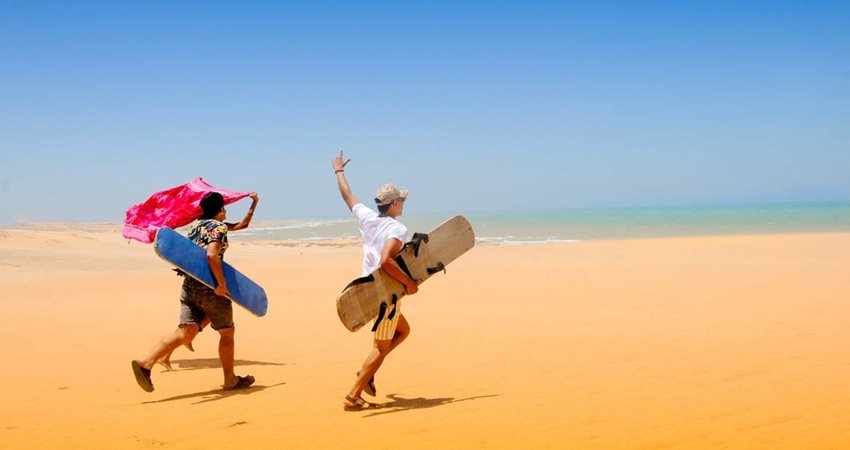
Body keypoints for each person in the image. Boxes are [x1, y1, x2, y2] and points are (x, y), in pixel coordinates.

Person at [131, 191, 260, 392]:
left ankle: (146, 363)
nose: (225, 212)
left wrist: (253, 204)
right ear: (220, 210)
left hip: (189, 286)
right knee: (227, 332)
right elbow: (211, 255)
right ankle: (230, 380)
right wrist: (221, 284)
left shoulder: (196, 225)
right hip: (210, 288)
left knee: (186, 331)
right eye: (224, 208)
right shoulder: (218, 227)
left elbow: (242, 225)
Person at [333, 150, 420, 411]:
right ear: (393, 204)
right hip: (386, 295)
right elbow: (386, 262)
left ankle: (366, 374)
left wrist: (339, 171)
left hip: (366, 288)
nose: (403, 203)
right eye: (401, 200)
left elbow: (347, 196)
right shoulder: (397, 229)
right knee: (380, 348)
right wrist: (408, 283)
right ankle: (353, 394)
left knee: (402, 331)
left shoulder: (367, 218)